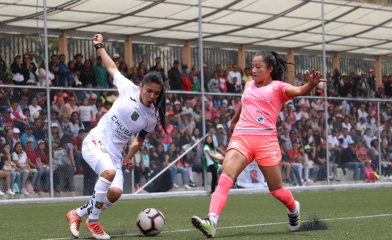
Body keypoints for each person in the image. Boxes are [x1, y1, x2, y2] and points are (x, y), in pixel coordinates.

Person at [191, 51, 326, 237]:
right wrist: (233, 120)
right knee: (225, 175)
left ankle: (294, 208)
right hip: (241, 138)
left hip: (266, 141)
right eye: (252, 66)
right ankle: (211, 221)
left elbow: (301, 90)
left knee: (277, 190)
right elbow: (245, 103)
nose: (253, 70)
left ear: (270, 69)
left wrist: (311, 83)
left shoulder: (279, 87)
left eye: (258, 67)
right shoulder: (248, 85)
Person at [66, 34, 166, 240]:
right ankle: (93, 222)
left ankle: (77, 214)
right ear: (141, 86)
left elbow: (139, 139)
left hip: (115, 153)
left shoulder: (152, 116)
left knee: (115, 193)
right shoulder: (128, 88)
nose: (153, 96)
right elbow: (112, 68)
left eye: (157, 93)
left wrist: (128, 156)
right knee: (109, 173)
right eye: (149, 91)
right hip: (96, 141)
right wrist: (100, 47)